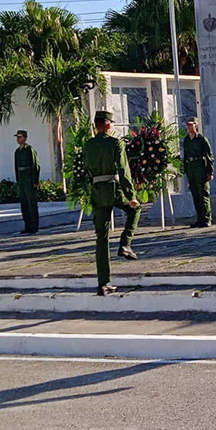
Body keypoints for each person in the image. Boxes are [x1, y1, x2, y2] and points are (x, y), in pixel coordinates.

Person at [83, 111, 142, 296]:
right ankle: (126, 243)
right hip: (113, 189)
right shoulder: (115, 143)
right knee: (136, 209)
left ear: (96, 125)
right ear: (108, 125)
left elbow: (86, 171)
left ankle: (104, 283)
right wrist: (131, 194)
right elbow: (124, 170)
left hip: (97, 192)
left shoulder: (88, 145)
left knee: (101, 239)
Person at [182, 116, 214, 228]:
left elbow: (209, 156)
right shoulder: (186, 140)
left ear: (196, 125)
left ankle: (207, 218)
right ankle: (199, 219)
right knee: (195, 194)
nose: (189, 127)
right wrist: (185, 170)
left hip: (201, 167)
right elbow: (185, 156)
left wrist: (210, 172)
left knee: (203, 194)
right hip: (191, 168)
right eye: (188, 125)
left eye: (191, 124)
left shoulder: (201, 139)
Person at [14, 129, 40, 235]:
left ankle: (34, 226)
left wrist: (35, 181)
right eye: (17, 137)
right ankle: (27, 225)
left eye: (20, 137)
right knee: (24, 204)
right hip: (22, 180)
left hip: (29, 179)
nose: (18, 139)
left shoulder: (29, 150)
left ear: (25, 138)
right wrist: (18, 181)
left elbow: (36, 165)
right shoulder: (17, 152)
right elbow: (16, 167)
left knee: (31, 203)